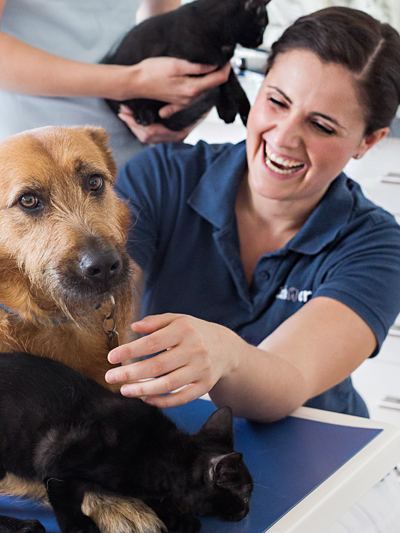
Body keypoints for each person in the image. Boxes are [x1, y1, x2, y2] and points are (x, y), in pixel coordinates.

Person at [104, 7, 400, 532]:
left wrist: (223, 354)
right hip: (176, 457)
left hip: (333, 473)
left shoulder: (377, 246)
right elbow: (104, 303)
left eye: (321, 124)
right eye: (277, 102)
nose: (283, 138)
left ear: (368, 142)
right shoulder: (158, 180)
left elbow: (287, 380)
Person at [0, 0, 230, 166]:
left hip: (129, 145)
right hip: (34, 151)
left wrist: (171, 109)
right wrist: (132, 82)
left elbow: (163, 18)